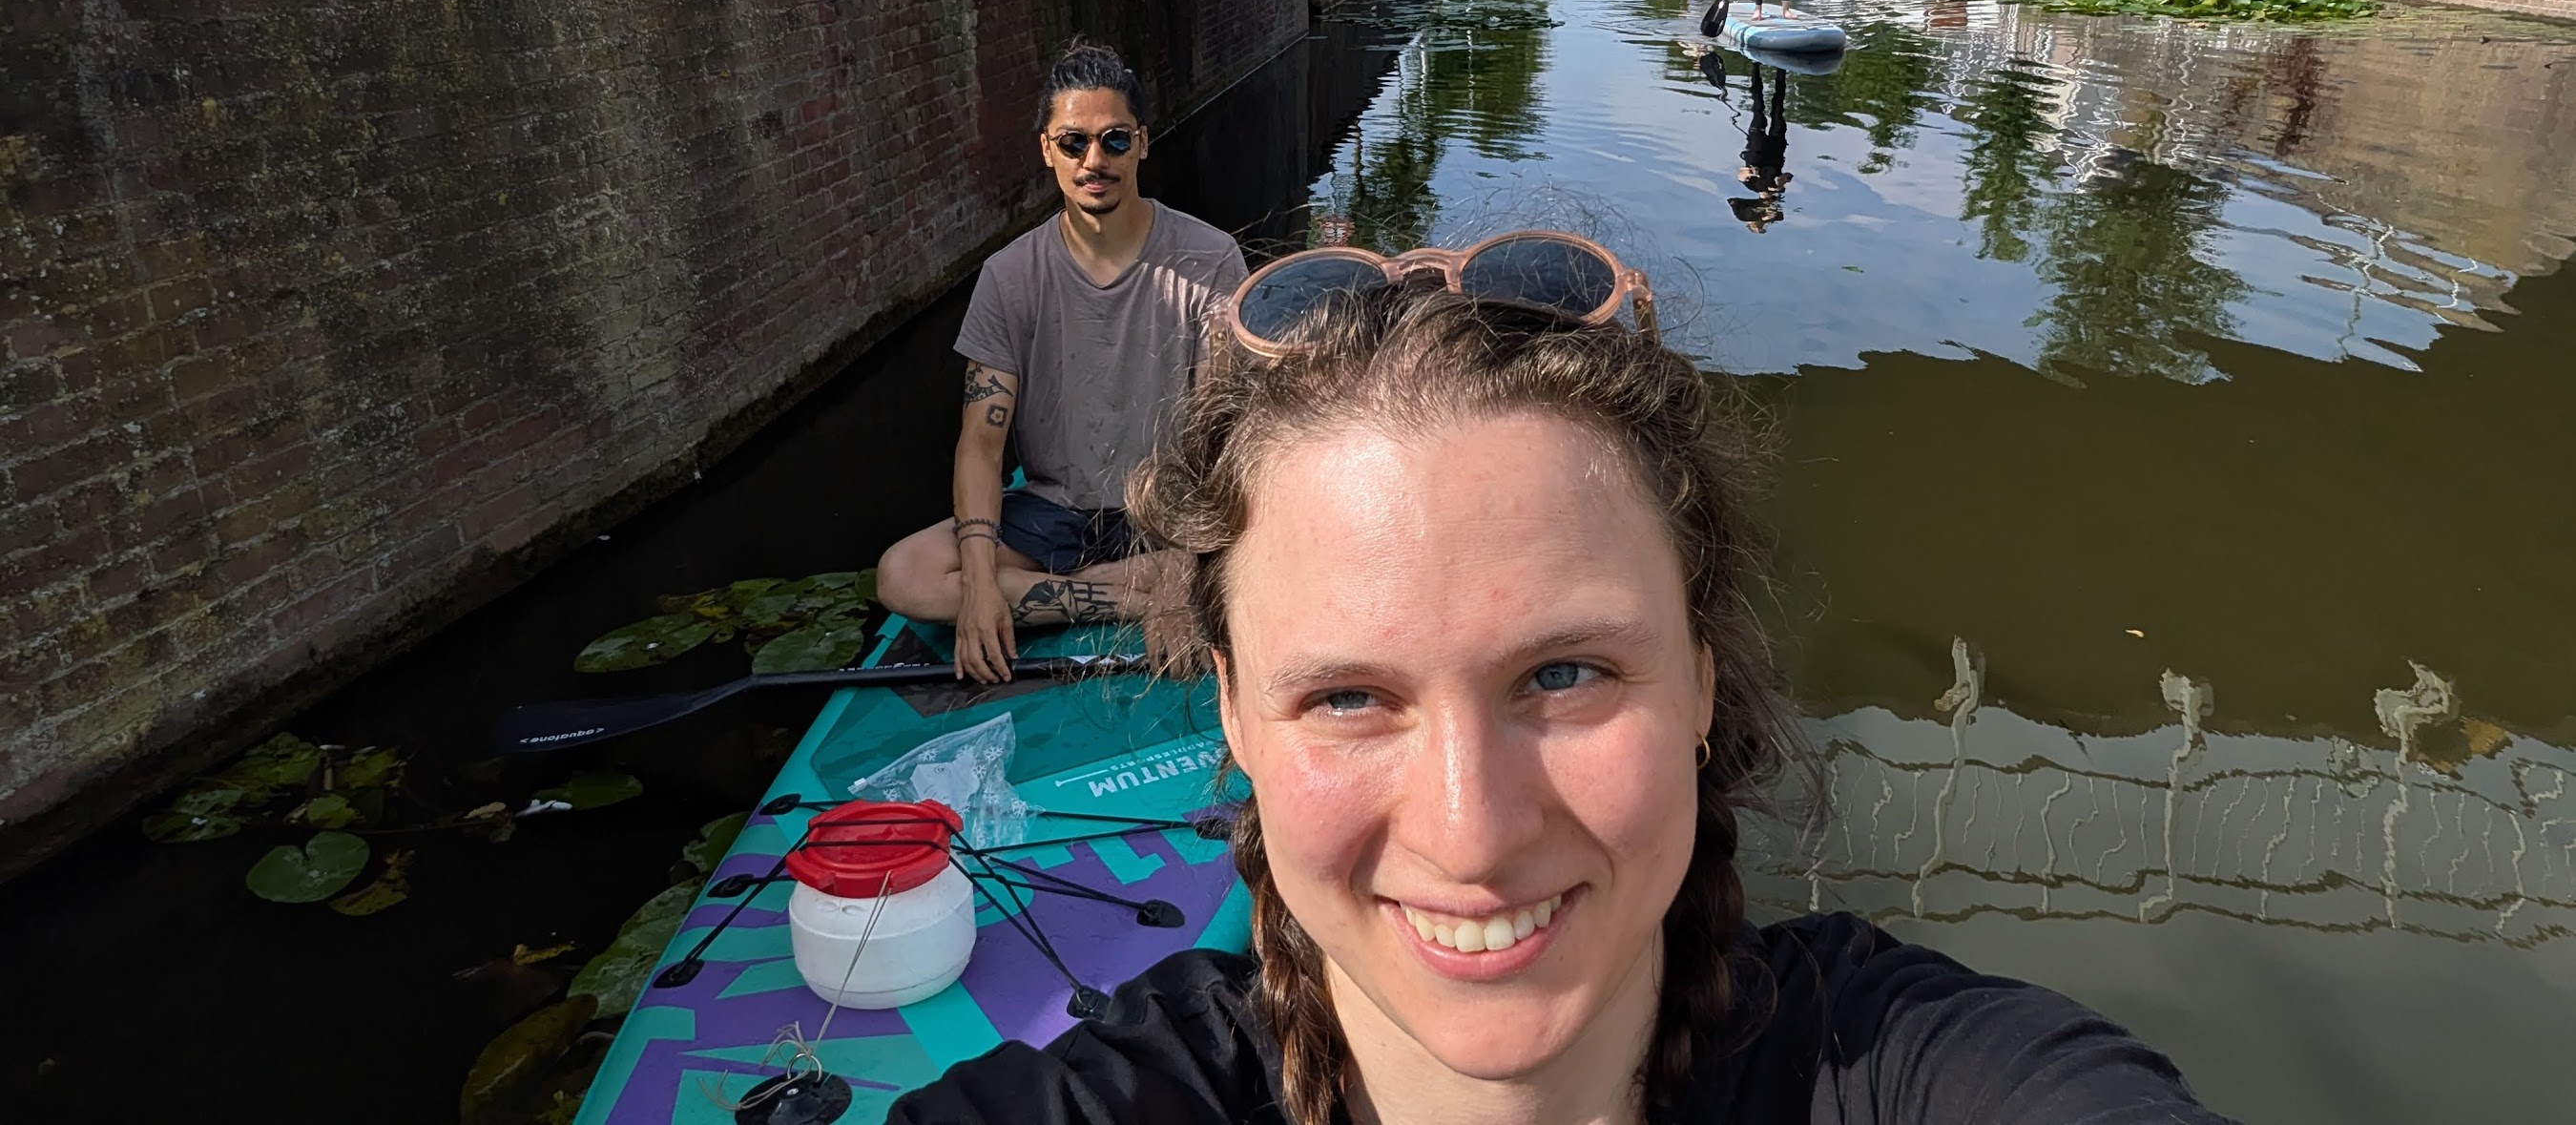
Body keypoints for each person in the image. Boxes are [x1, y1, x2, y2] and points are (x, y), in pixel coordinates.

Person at [887, 237, 2240, 1125]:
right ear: (1234, 712)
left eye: (1567, 670)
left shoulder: (1921, 1073)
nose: (1472, 832)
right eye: (1349, 696)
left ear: (1705, 685)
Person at [875, 38, 1248, 682]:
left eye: (1114, 140)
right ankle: (1130, 589)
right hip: (1055, 512)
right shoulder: (1009, 276)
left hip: (1164, 509)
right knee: (904, 576)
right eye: (1074, 142)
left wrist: (1187, 559)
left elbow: (1222, 437)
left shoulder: (1209, 261)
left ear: (1143, 144)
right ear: (1047, 149)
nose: (1093, 160)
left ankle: (1146, 580)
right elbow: (981, 446)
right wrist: (982, 579)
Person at [1731, 63, 1793, 233]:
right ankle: (1782, 68)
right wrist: (1781, 182)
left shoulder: (1753, 186)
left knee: (1758, 107)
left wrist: (1752, 172)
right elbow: (1787, 175)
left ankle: (1755, 65)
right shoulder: (1776, 187)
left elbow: (1741, 173)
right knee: (1778, 108)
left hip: (1758, 146)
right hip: (1776, 147)